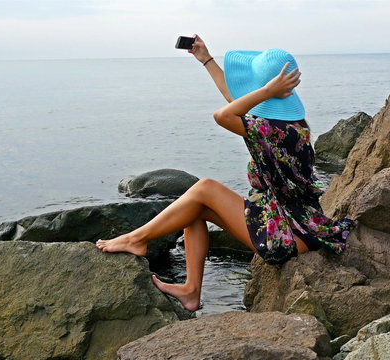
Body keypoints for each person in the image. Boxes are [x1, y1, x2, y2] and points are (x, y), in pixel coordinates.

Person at [96, 35, 355, 312]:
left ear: (268, 90)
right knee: (194, 209)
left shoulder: (273, 130)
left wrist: (266, 91)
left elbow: (223, 115)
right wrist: (207, 60)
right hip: (295, 226)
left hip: (285, 235)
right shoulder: (288, 125)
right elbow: (235, 101)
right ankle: (191, 292)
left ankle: (137, 239)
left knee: (205, 187)